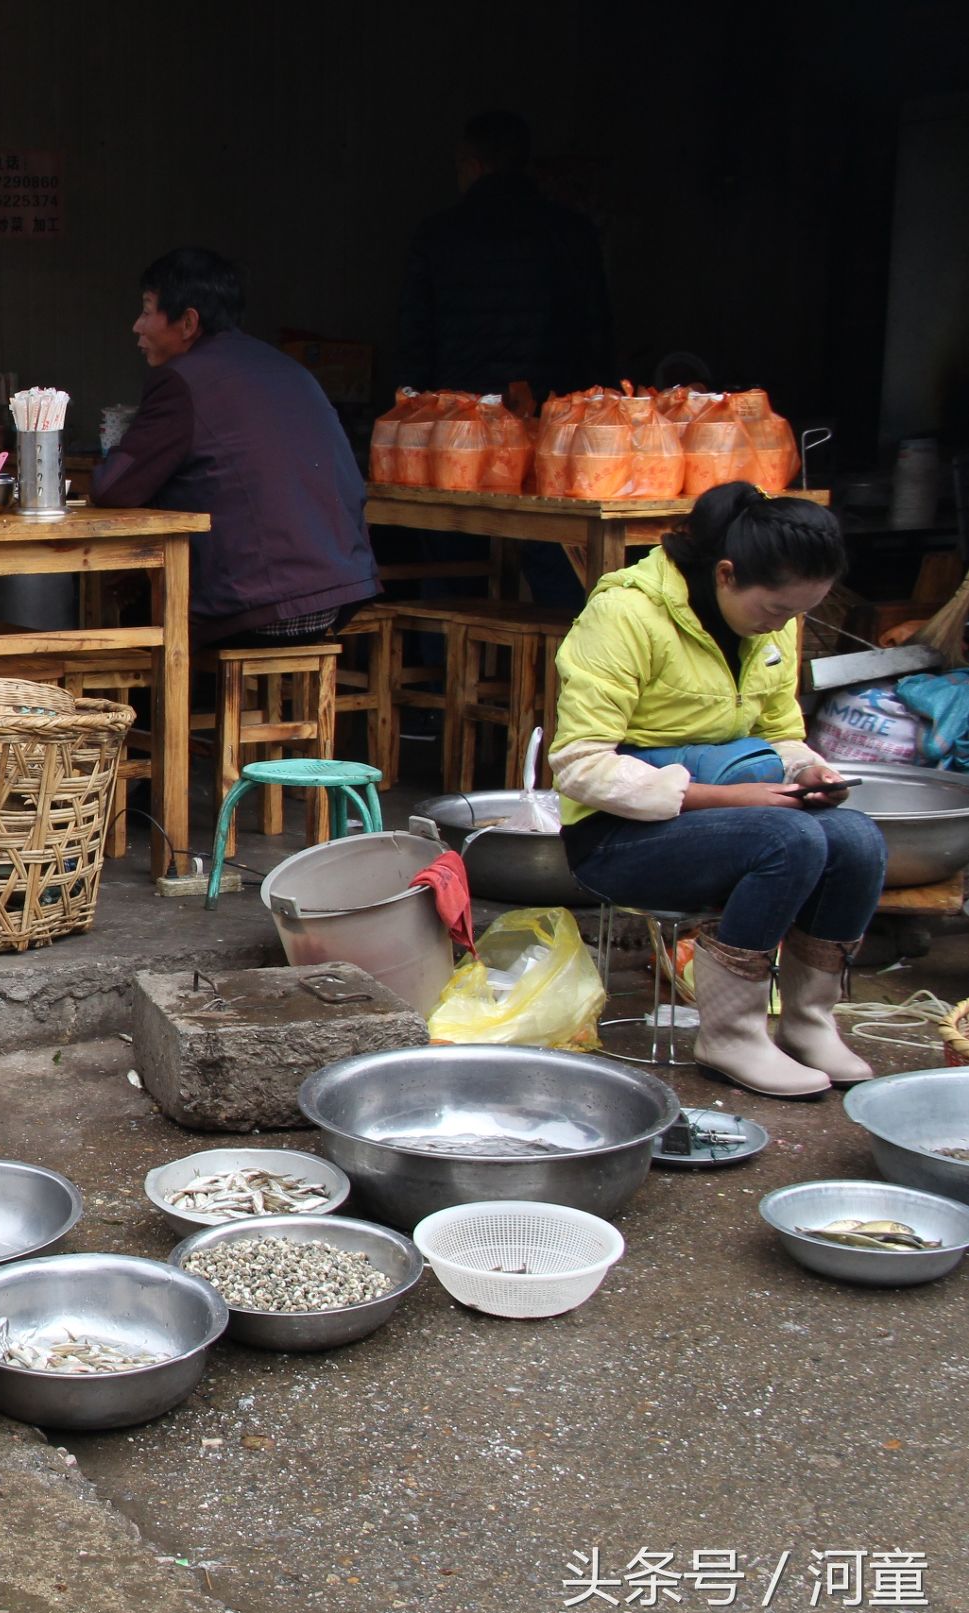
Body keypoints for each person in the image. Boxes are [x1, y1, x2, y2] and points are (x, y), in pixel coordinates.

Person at [553, 484, 882, 1097]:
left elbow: (780, 731)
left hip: (735, 815)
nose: (783, 626)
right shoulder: (627, 613)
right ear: (726, 575)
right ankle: (731, 1034)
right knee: (789, 838)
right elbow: (580, 767)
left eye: (795, 615)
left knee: (857, 838)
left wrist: (808, 771)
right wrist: (729, 798)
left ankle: (810, 1021)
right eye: (774, 612)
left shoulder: (773, 621)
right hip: (615, 838)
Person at [93, 248, 380, 642]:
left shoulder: (183, 380)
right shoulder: (285, 367)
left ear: (188, 321)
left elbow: (114, 488)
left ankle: (163, 707)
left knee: (139, 620)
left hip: (260, 604)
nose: (136, 327)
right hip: (333, 593)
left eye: (146, 310)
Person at [397, 111, 611, 404]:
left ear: (473, 167)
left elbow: (415, 342)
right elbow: (596, 340)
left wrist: (415, 411)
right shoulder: (572, 233)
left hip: (461, 422)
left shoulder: (437, 236)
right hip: (550, 416)